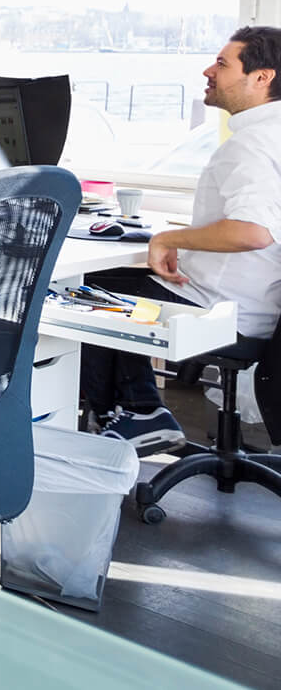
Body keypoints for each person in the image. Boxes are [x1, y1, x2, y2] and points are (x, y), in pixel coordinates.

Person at [81, 25, 281, 455]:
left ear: (262, 77)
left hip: (225, 310)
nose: (209, 70)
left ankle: (136, 412)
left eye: (223, 64)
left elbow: (253, 231)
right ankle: (134, 411)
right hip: (261, 308)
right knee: (118, 282)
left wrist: (169, 236)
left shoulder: (251, 144)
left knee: (87, 289)